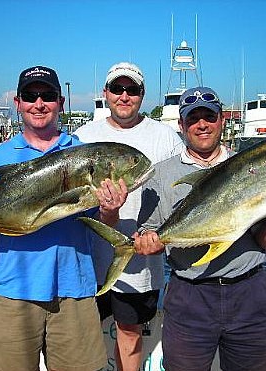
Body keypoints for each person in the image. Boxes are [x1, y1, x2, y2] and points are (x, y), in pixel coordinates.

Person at [0, 65, 119, 371]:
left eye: (47, 95)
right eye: (30, 95)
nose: (39, 103)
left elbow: (102, 224)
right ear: (19, 103)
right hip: (14, 291)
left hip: (73, 290)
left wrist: (111, 208)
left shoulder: (83, 153)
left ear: (60, 103)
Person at [133, 86, 266, 371]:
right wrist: (145, 241)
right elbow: (148, 230)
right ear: (181, 125)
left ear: (222, 119)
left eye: (209, 117)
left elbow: (264, 241)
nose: (202, 124)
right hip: (190, 297)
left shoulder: (253, 165)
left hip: (249, 293)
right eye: (193, 118)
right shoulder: (162, 175)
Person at [74, 62, 185, 370]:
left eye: (132, 90)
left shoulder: (165, 138)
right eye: (117, 89)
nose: (124, 96)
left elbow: (177, 198)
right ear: (105, 93)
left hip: (140, 264)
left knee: (129, 334)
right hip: (87, 262)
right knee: (83, 337)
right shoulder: (83, 136)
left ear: (142, 95)